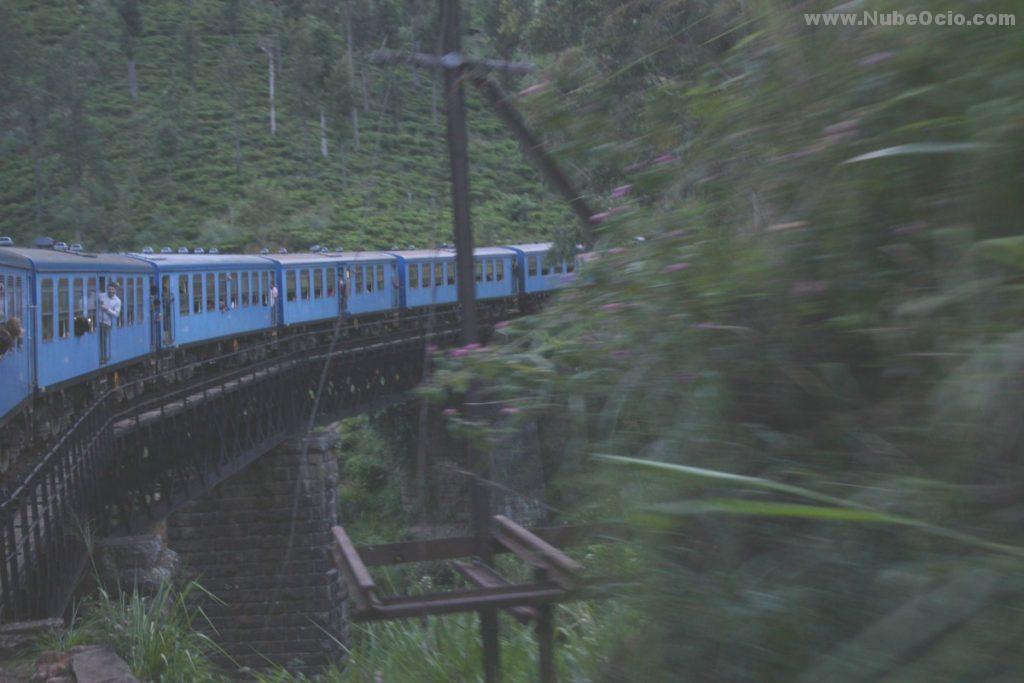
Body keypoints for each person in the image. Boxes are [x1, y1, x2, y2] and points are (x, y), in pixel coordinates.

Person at [98, 282, 121, 364]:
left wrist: (107, 309)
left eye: (112, 289)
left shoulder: (117, 301)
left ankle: (103, 357)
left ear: (115, 290)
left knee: (103, 339)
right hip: (98, 321)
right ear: (107, 289)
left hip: (106, 323)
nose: (111, 291)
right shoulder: (102, 296)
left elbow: (116, 314)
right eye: (109, 289)